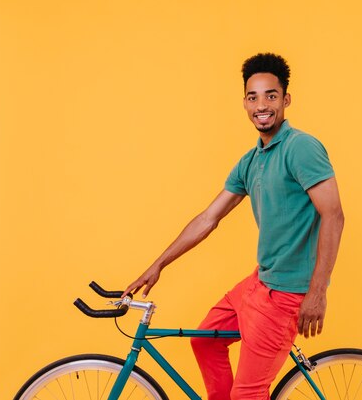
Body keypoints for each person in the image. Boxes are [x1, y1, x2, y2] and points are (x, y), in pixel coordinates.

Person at [122, 53, 344, 400]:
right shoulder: (252, 160)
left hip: (287, 294)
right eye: (253, 97)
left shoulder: (301, 148)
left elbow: (333, 215)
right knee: (205, 341)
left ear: (285, 100)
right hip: (261, 282)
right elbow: (208, 218)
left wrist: (317, 292)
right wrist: (158, 265)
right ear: (244, 103)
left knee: (248, 393)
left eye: (271, 95)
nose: (262, 105)